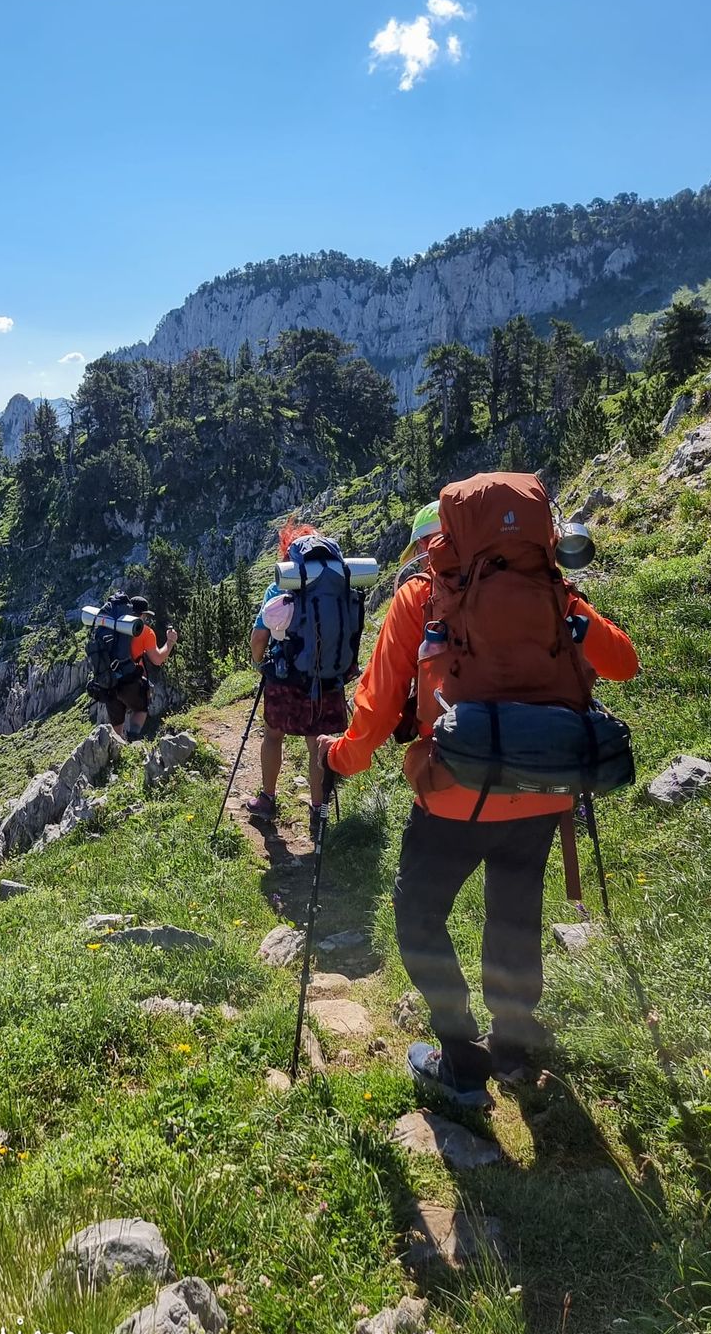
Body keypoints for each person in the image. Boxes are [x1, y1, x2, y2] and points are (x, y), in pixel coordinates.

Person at [318, 474, 639, 1107]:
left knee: (418, 914)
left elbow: (378, 708)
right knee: (515, 912)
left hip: (453, 795)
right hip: (544, 791)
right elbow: (623, 663)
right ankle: (514, 1046)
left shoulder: (422, 596)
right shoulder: (556, 593)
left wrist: (339, 760)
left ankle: (461, 1061)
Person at [246, 521, 350, 841]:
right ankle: (319, 811)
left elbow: (259, 636)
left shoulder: (283, 584)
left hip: (286, 676)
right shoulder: (340, 583)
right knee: (316, 742)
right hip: (328, 676)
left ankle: (267, 798)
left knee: (273, 735)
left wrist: (257, 660)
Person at [103, 595, 177, 742]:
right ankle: (132, 740)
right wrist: (170, 642)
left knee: (117, 723)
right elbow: (157, 659)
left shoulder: (113, 627)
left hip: (108, 680)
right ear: (142, 615)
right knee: (140, 709)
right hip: (130, 680)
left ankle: (118, 752)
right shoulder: (145, 631)